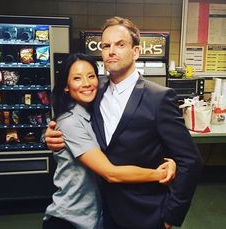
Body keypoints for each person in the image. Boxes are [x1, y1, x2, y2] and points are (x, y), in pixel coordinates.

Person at [45, 17, 203, 229]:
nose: (111, 51)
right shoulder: (94, 91)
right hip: (103, 213)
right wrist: (48, 135)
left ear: (136, 51)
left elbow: (190, 160)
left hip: (146, 214)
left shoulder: (159, 98)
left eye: (120, 44)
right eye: (106, 45)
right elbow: (71, 120)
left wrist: (170, 217)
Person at [42, 52, 176, 229]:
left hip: (98, 217)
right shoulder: (69, 122)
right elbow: (111, 173)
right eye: (77, 78)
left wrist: (170, 161)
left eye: (91, 76)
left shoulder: (95, 110)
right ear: (66, 86)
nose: (86, 84)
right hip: (70, 219)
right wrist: (159, 174)